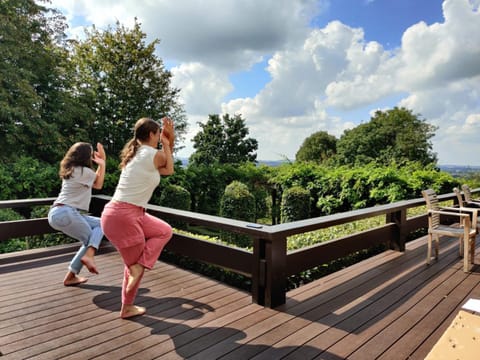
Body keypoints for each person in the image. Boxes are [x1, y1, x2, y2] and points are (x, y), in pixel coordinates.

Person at [101, 117, 175, 319]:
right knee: (133, 268)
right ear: (152, 135)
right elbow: (169, 168)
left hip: (127, 213)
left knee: (164, 231)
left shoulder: (137, 154)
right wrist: (168, 141)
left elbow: (165, 164)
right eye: (159, 133)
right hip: (123, 216)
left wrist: (167, 141)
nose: (160, 137)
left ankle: (139, 266)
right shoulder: (151, 154)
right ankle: (127, 306)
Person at [48, 142, 106, 286]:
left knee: (102, 224)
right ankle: (88, 257)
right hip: (66, 212)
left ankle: (71, 276)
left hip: (58, 212)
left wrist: (101, 164)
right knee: (90, 240)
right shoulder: (82, 171)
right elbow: (98, 184)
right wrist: (102, 164)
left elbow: (95, 181)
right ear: (86, 156)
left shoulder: (71, 169)